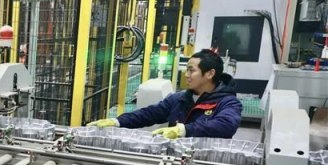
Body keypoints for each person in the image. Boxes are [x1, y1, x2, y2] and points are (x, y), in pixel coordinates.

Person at [88, 49, 242, 139]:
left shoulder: (228, 103)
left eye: (191, 70)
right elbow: (149, 114)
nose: (186, 75)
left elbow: (226, 126)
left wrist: (184, 130)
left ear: (210, 74)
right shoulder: (180, 99)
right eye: (186, 70)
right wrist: (117, 121)